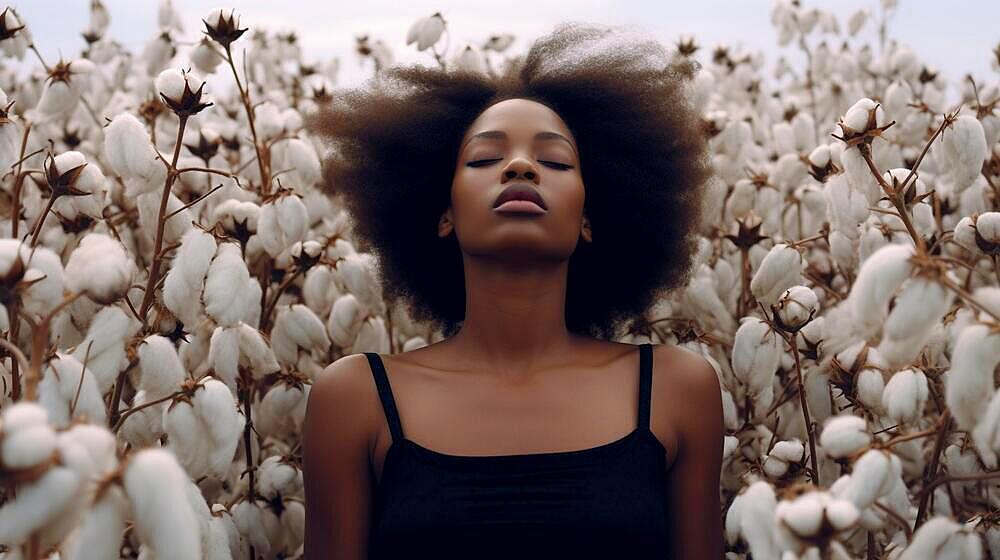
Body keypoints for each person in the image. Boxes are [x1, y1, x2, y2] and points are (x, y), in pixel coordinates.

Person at [302, 20, 724, 559]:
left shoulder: (677, 390)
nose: (520, 166)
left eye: (554, 162)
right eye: (484, 159)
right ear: (444, 214)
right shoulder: (355, 399)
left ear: (590, 218)